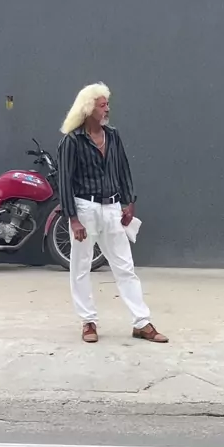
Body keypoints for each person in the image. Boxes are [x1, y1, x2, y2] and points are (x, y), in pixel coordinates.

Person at [57, 82, 168, 344]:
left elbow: (123, 169)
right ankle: (88, 321)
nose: (107, 109)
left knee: (125, 266)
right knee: (81, 267)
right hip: (85, 208)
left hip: (112, 208)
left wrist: (129, 202)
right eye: (102, 105)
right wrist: (73, 219)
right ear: (88, 109)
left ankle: (142, 323)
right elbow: (64, 182)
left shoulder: (113, 136)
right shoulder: (72, 141)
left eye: (107, 104)